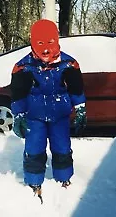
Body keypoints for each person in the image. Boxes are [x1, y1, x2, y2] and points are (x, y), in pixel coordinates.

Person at [10, 19, 87, 203]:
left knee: (62, 147)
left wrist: (80, 107)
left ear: (57, 40)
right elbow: (18, 94)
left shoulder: (69, 64)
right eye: (40, 44)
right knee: (34, 148)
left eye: (50, 43)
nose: (46, 50)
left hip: (60, 115)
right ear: (32, 43)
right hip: (34, 117)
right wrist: (19, 114)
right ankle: (34, 182)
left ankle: (64, 179)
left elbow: (76, 89)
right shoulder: (23, 67)